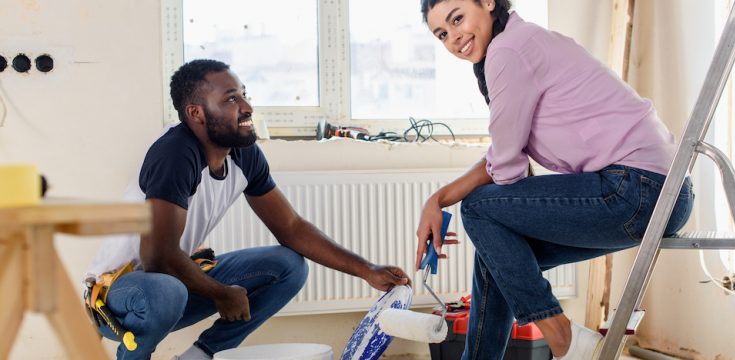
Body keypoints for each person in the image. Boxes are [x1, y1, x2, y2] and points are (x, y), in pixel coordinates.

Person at [415, 1, 694, 359]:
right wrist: (437, 200)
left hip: (639, 189)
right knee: (496, 255)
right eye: (442, 34)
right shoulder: (520, 42)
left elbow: (506, 171)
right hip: (664, 193)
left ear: (487, 3)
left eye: (457, 19)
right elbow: (505, 159)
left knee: (479, 210)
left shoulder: (509, 51)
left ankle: (561, 335)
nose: (454, 37)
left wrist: (441, 200)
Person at [84, 59, 411, 360]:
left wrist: (367, 269)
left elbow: (292, 228)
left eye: (243, 95)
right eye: (230, 99)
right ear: (197, 113)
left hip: (174, 287)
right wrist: (222, 293)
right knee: (166, 289)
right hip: (119, 297)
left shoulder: (242, 153)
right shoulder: (175, 153)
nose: (246, 107)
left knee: (287, 265)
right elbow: (157, 256)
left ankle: (200, 357)